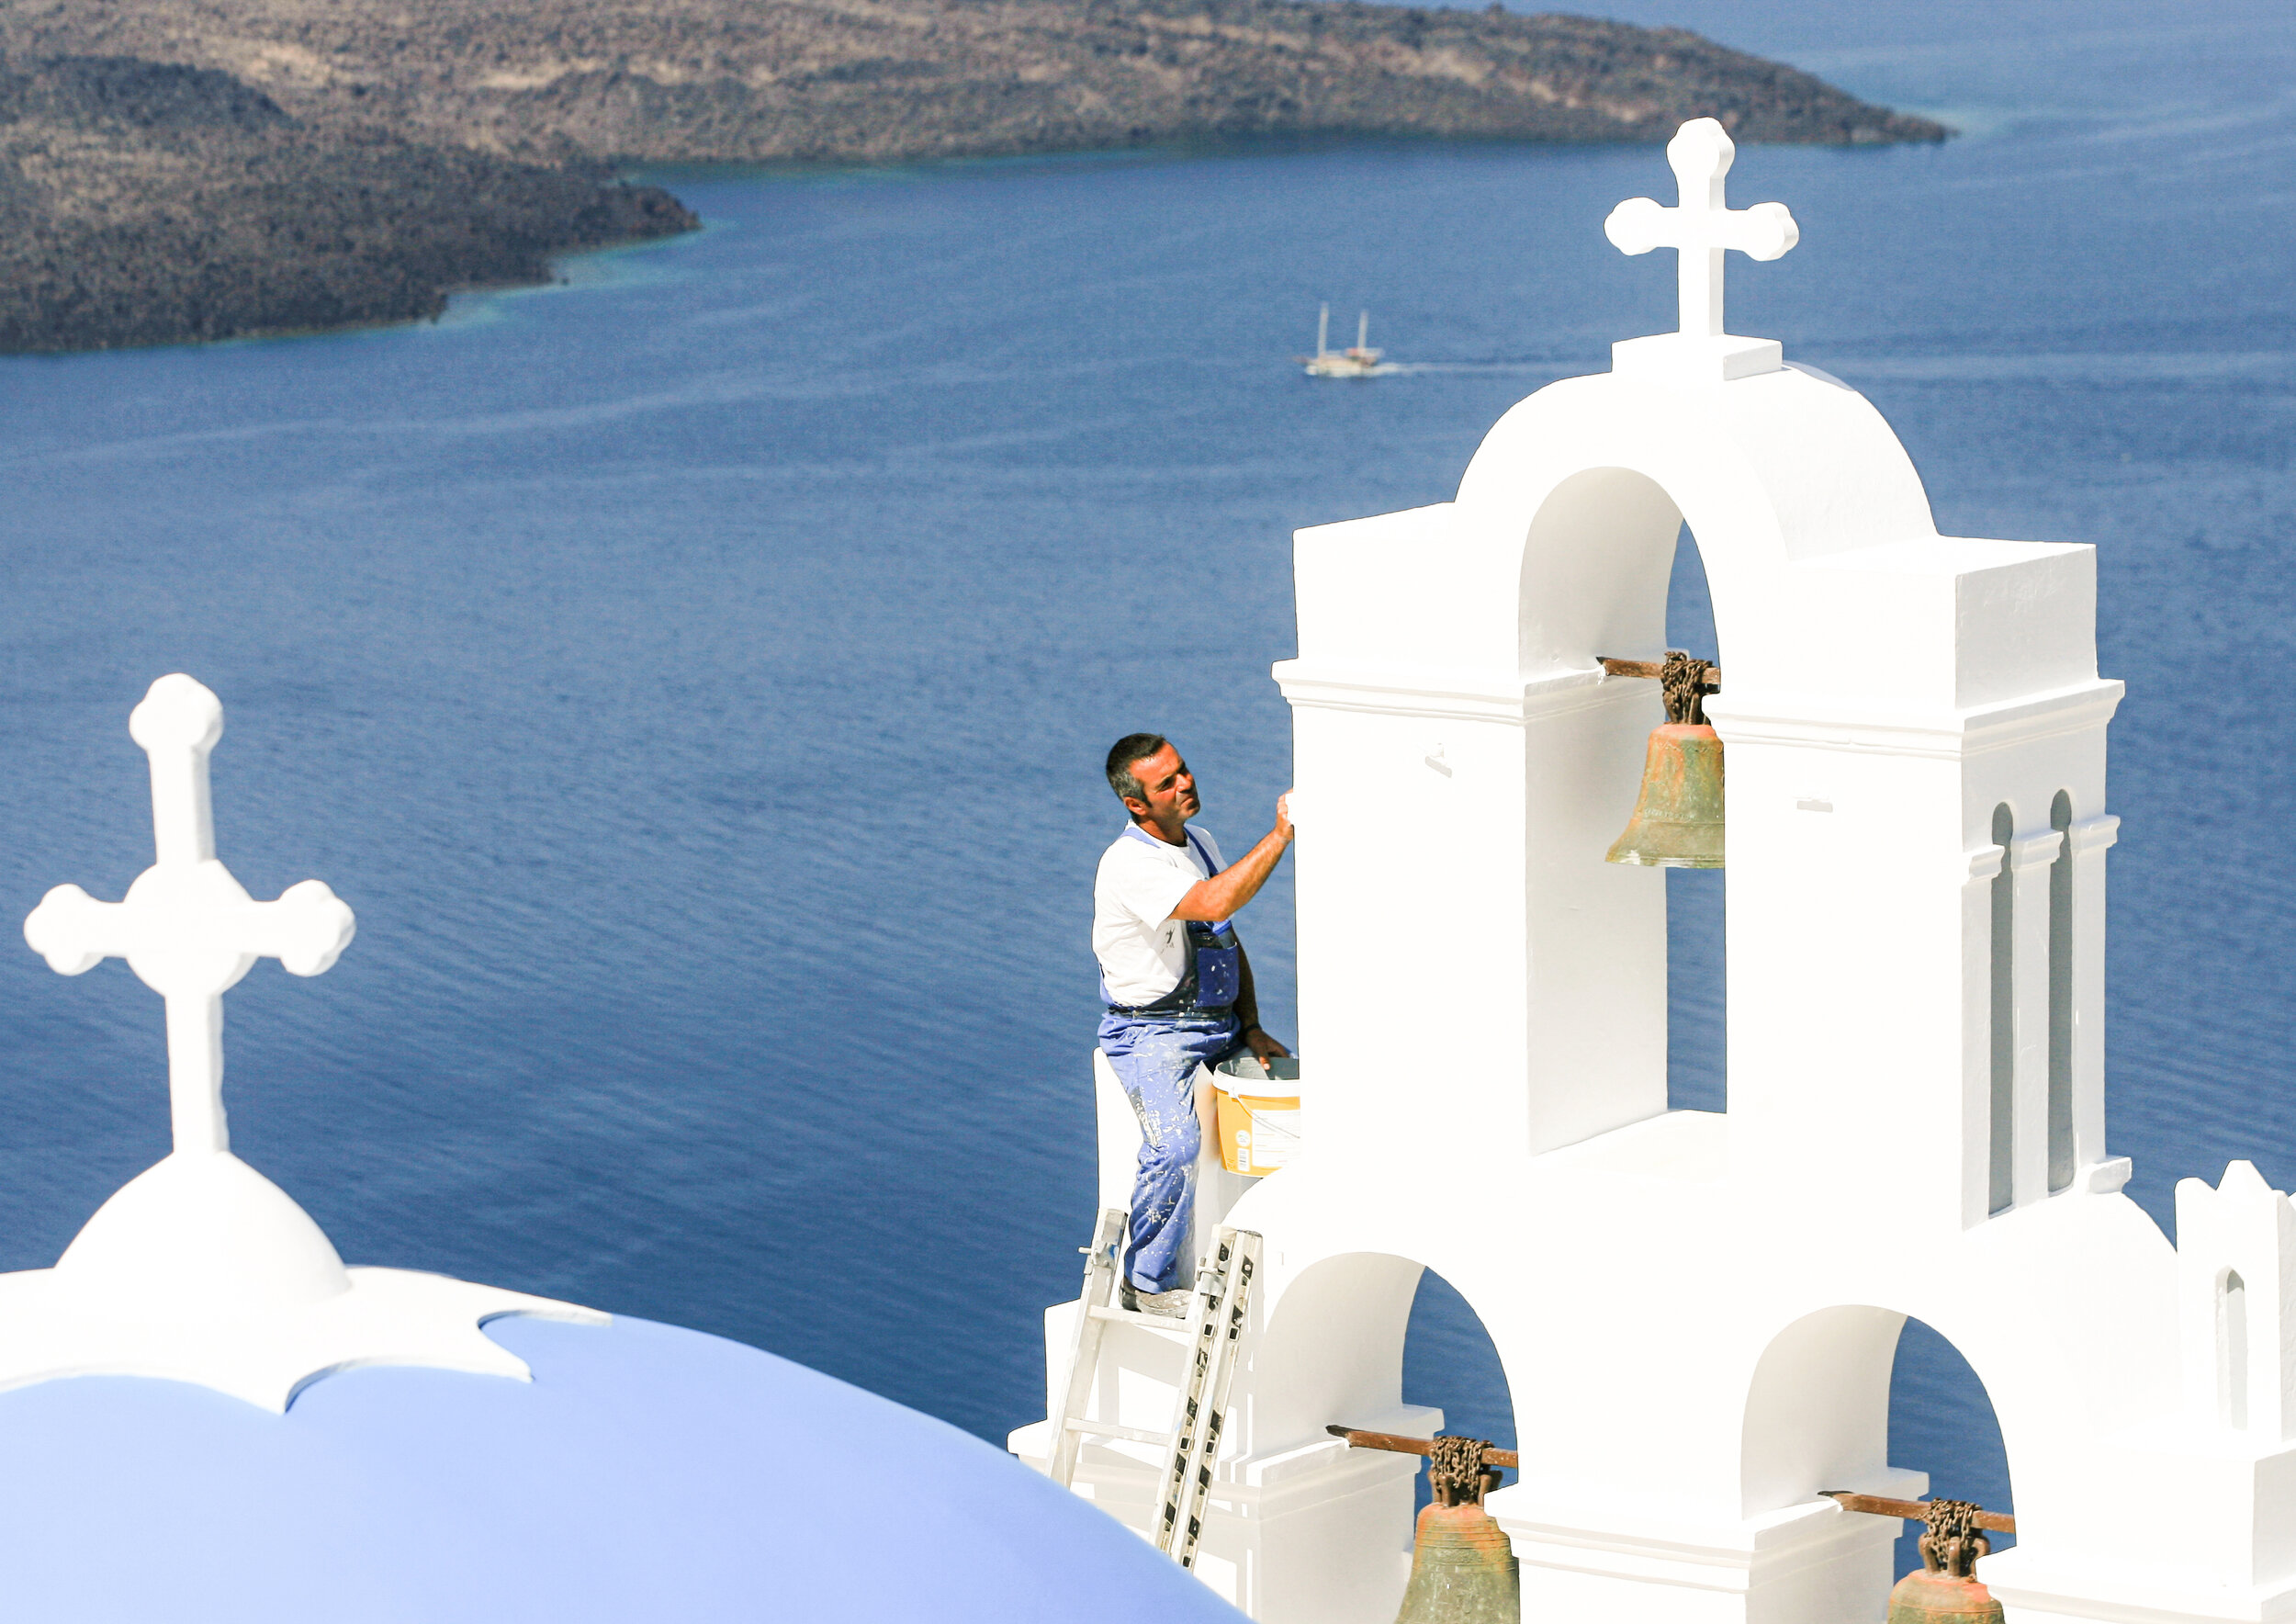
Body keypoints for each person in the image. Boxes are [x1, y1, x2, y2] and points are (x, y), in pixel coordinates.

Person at [1092, 733, 1294, 1315]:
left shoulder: (1198, 842)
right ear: (1137, 804)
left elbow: (1224, 936)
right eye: (1166, 783)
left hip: (1215, 1022)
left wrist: (1250, 1024)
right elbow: (1212, 903)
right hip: (1151, 1035)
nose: (1185, 784)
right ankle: (1145, 1281)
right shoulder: (1129, 863)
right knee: (1177, 1144)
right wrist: (1281, 833)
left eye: (1183, 770)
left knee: (1291, 1103)